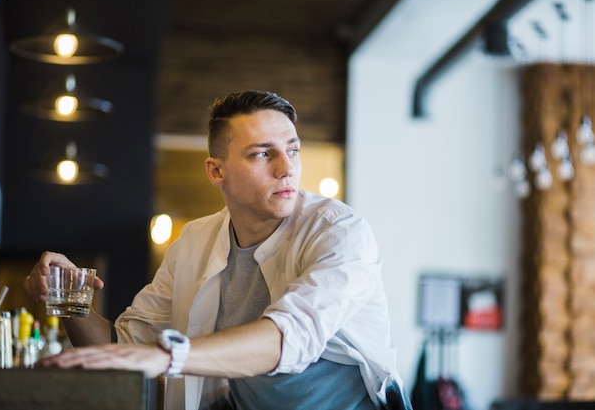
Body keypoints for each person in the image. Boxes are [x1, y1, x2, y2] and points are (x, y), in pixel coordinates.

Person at [24, 90, 412, 410]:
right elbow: (124, 349)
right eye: (262, 153)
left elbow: (291, 336)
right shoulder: (194, 241)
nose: (285, 168)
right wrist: (68, 298)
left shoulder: (340, 231)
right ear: (216, 171)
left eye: (292, 150)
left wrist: (169, 356)